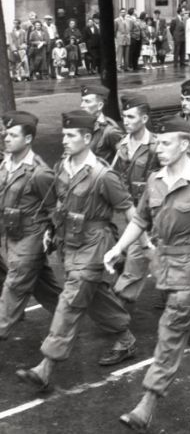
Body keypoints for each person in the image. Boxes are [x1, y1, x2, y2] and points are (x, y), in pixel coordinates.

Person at [104, 114, 190, 432]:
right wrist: (119, 248)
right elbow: (140, 219)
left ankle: (147, 403)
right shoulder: (155, 180)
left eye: (166, 143)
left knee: (171, 329)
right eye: (158, 143)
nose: (159, 148)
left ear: (185, 144)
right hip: (164, 267)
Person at [16, 110, 137, 391]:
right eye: (63, 135)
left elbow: (130, 212)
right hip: (69, 243)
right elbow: (59, 203)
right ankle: (125, 337)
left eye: (71, 135)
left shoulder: (103, 175)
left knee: (70, 301)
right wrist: (50, 230)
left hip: (94, 245)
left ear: (87, 138)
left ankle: (46, 367)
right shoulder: (62, 166)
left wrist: (131, 246)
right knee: (93, 295)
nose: (64, 140)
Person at [0, 111, 61, 340]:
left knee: (14, 285)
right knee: (44, 287)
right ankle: (67, 321)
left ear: (28, 139)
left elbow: (55, 210)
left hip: (31, 238)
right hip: (12, 236)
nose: (6, 138)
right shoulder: (6, 165)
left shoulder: (39, 173)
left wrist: (53, 238)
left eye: (13, 135)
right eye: (6, 134)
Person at [112, 94, 158, 304]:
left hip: (154, 213)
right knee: (159, 261)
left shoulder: (156, 146)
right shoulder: (122, 146)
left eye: (131, 117)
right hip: (132, 212)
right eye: (124, 117)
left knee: (135, 259)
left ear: (144, 119)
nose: (126, 121)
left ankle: (118, 311)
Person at [79, 84, 124, 164]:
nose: (82, 105)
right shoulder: (80, 125)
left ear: (100, 106)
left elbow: (126, 159)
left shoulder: (110, 131)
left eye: (87, 101)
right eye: (82, 101)